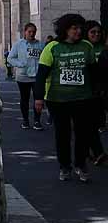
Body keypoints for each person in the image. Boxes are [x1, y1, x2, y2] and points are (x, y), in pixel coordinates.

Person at [34, 13, 99, 183]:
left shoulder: (87, 46)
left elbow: (94, 72)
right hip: (58, 100)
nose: (78, 31)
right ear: (65, 30)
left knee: (83, 134)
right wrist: (38, 98)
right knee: (62, 134)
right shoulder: (52, 47)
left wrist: (97, 93)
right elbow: (41, 75)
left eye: (80, 28)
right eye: (74, 28)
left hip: (83, 98)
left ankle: (80, 164)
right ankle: (65, 166)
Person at [7, 22, 46, 131]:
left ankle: (37, 121)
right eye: (29, 31)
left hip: (37, 76)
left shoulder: (40, 45)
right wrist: (20, 64)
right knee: (25, 99)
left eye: (34, 32)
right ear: (25, 32)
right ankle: (25, 120)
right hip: (23, 76)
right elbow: (10, 58)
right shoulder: (18, 44)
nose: (32, 34)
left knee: (38, 99)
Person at [85, 21, 107, 165]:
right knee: (89, 124)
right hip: (87, 91)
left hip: (101, 91)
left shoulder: (103, 49)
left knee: (95, 123)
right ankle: (95, 152)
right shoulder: (84, 48)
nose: (96, 35)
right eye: (93, 32)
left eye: (98, 32)